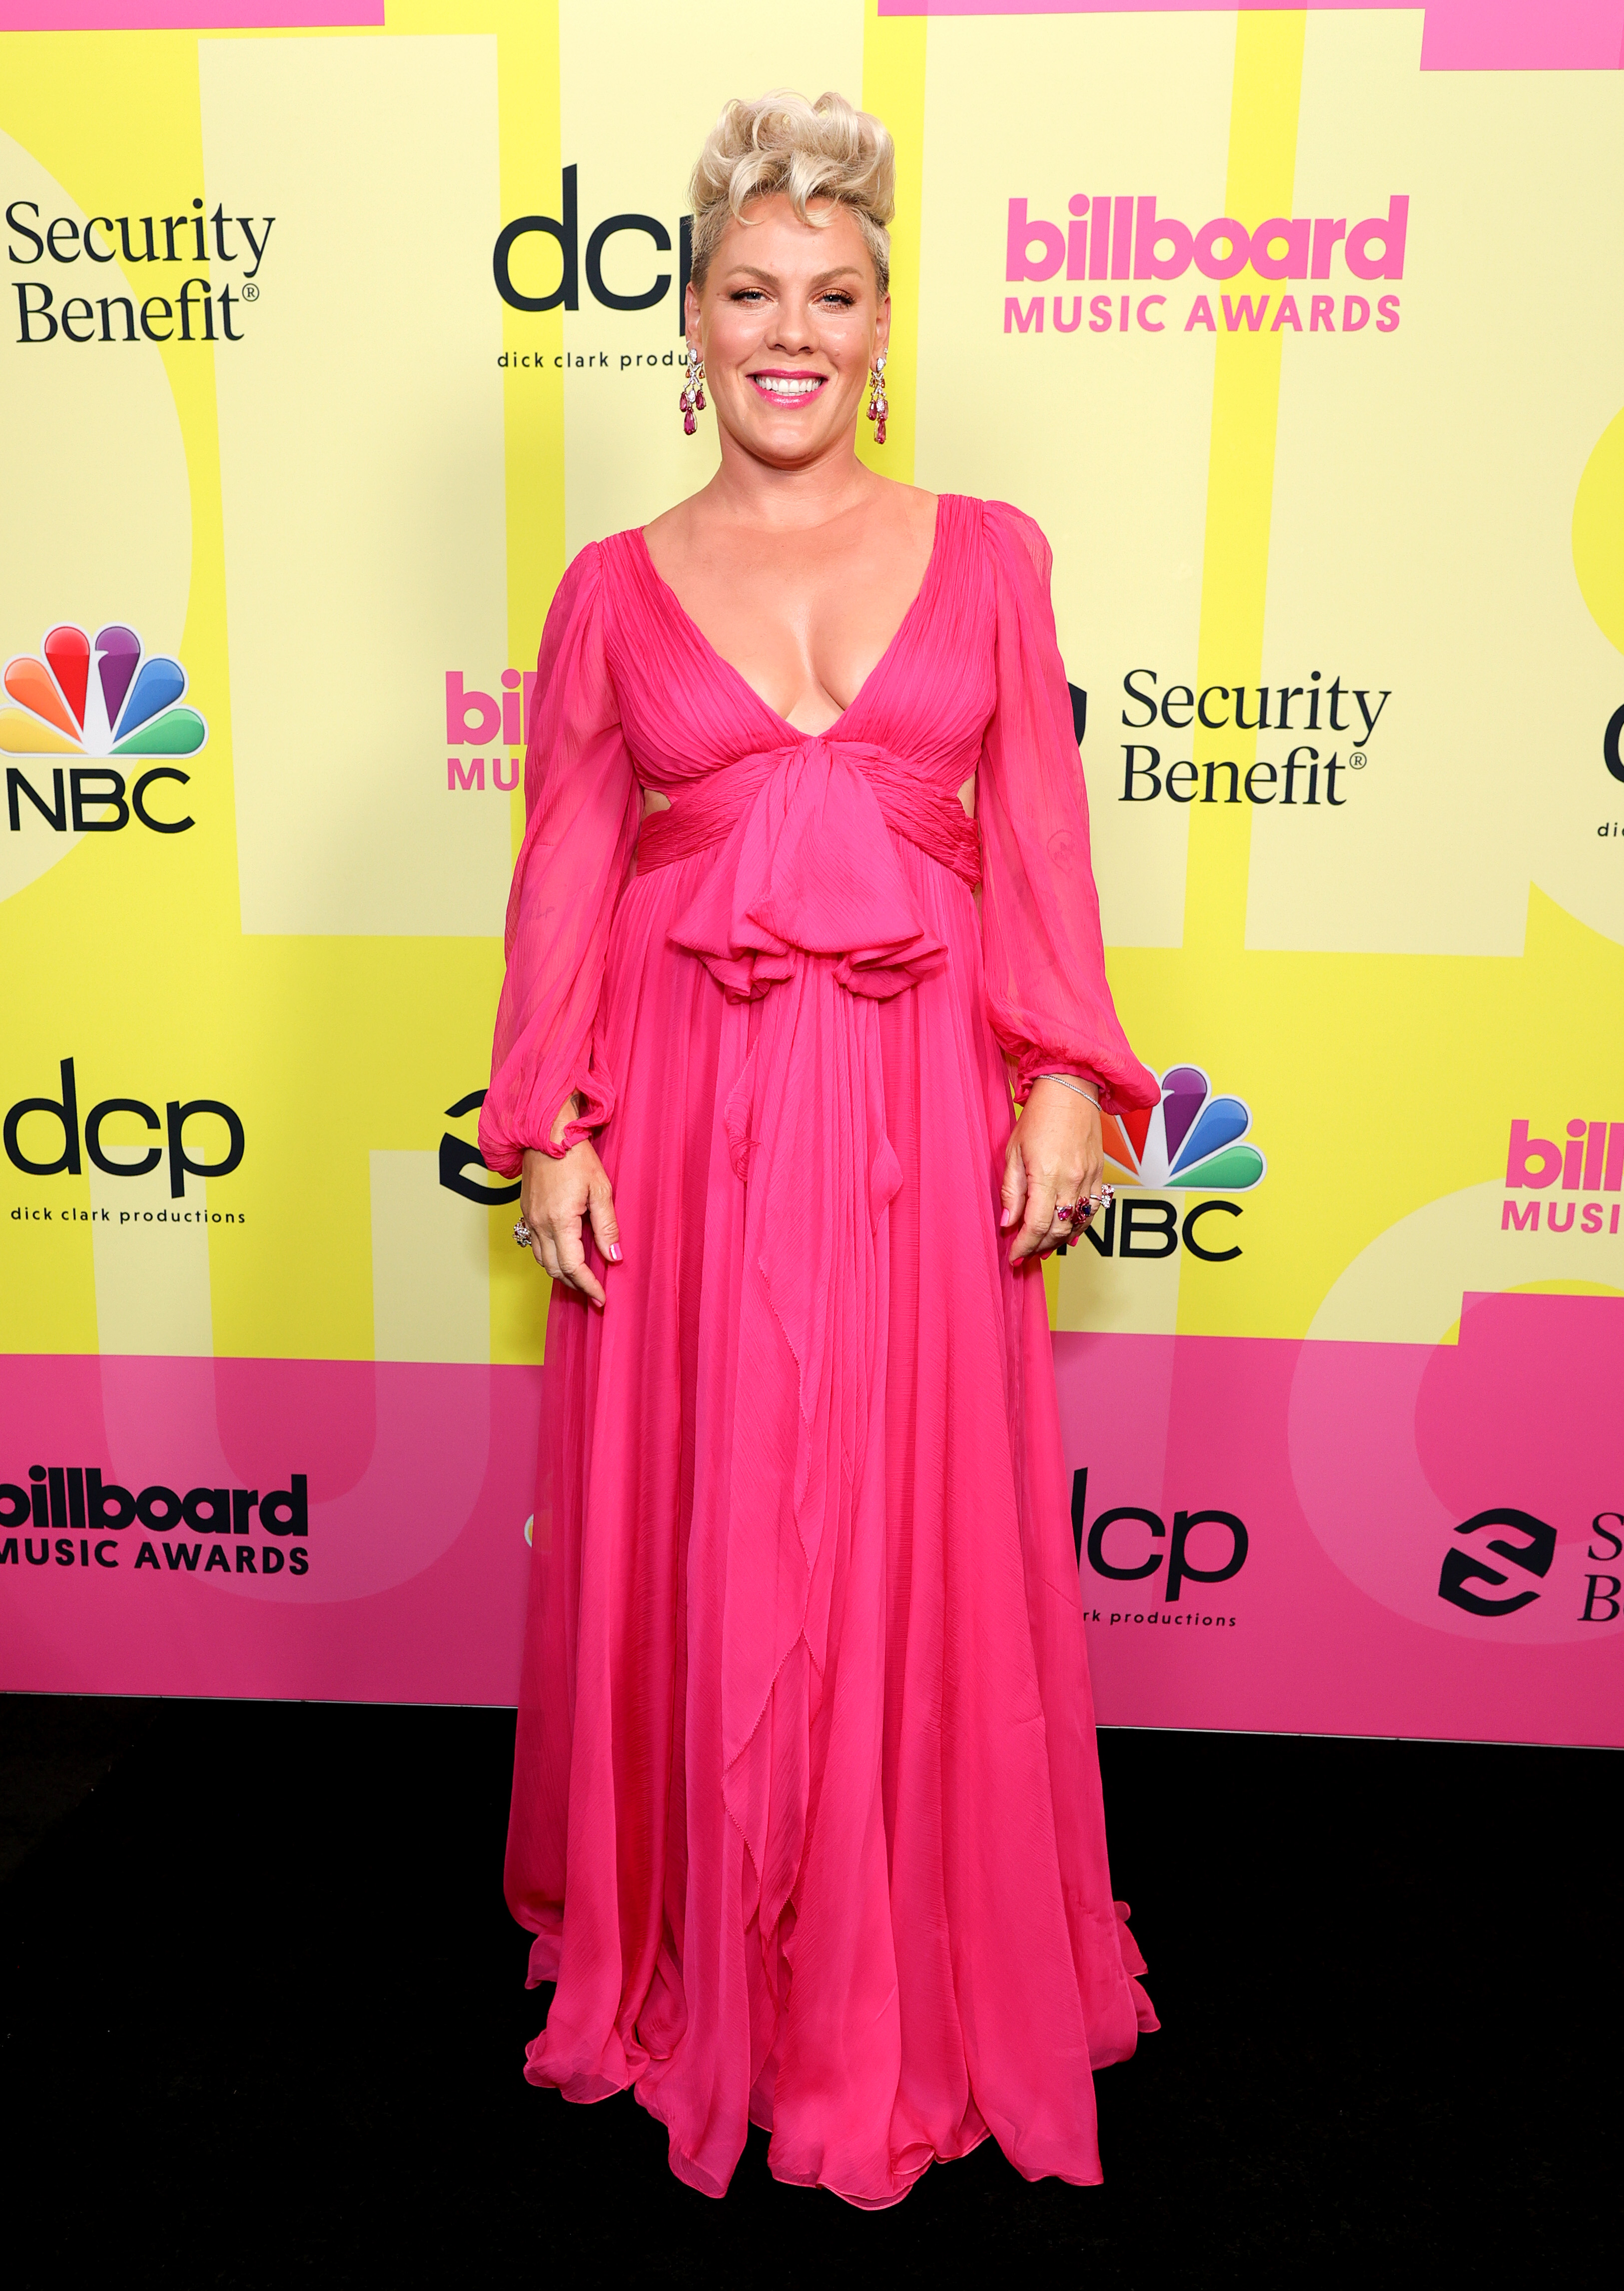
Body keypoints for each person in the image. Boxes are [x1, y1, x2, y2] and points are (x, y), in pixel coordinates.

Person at [480, 89, 1161, 2209]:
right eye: (751, 294)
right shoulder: (612, 588)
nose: (793, 333)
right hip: (684, 1114)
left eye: (834, 297)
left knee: (904, 1528)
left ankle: (903, 1960)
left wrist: (1063, 1070)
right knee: (707, 1527)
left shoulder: (992, 554)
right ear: (685, 320)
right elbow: (570, 862)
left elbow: (1039, 832)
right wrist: (550, 1116)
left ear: (887, 322)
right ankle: (715, 1959)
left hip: (915, 1110)